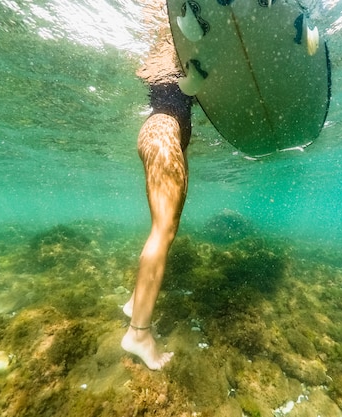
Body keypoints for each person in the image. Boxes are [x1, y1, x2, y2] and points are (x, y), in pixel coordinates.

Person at [120, 1, 192, 370]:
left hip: (162, 135)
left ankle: (136, 302)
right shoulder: (184, 49)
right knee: (162, 231)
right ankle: (138, 333)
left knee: (169, 227)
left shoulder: (184, 58)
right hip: (163, 134)